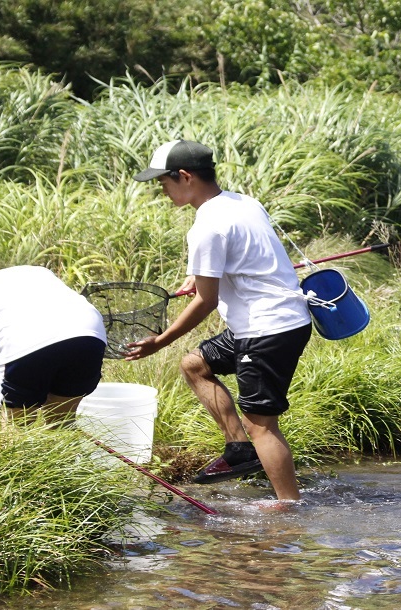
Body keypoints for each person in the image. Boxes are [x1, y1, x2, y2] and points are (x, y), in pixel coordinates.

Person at [126, 139, 314, 501]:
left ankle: (288, 508)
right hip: (277, 320)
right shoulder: (243, 203)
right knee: (194, 365)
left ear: (184, 176)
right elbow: (241, 254)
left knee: (261, 425)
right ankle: (239, 451)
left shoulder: (207, 226)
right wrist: (200, 274)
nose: (162, 191)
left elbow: (206, 302)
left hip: (266, 330)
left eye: (163, 183)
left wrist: (159, 341)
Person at [0, 263, 107, 425]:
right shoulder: (25, 273)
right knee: (61, 422)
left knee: (17, 432)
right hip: (89, 333)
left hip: (22, 343)